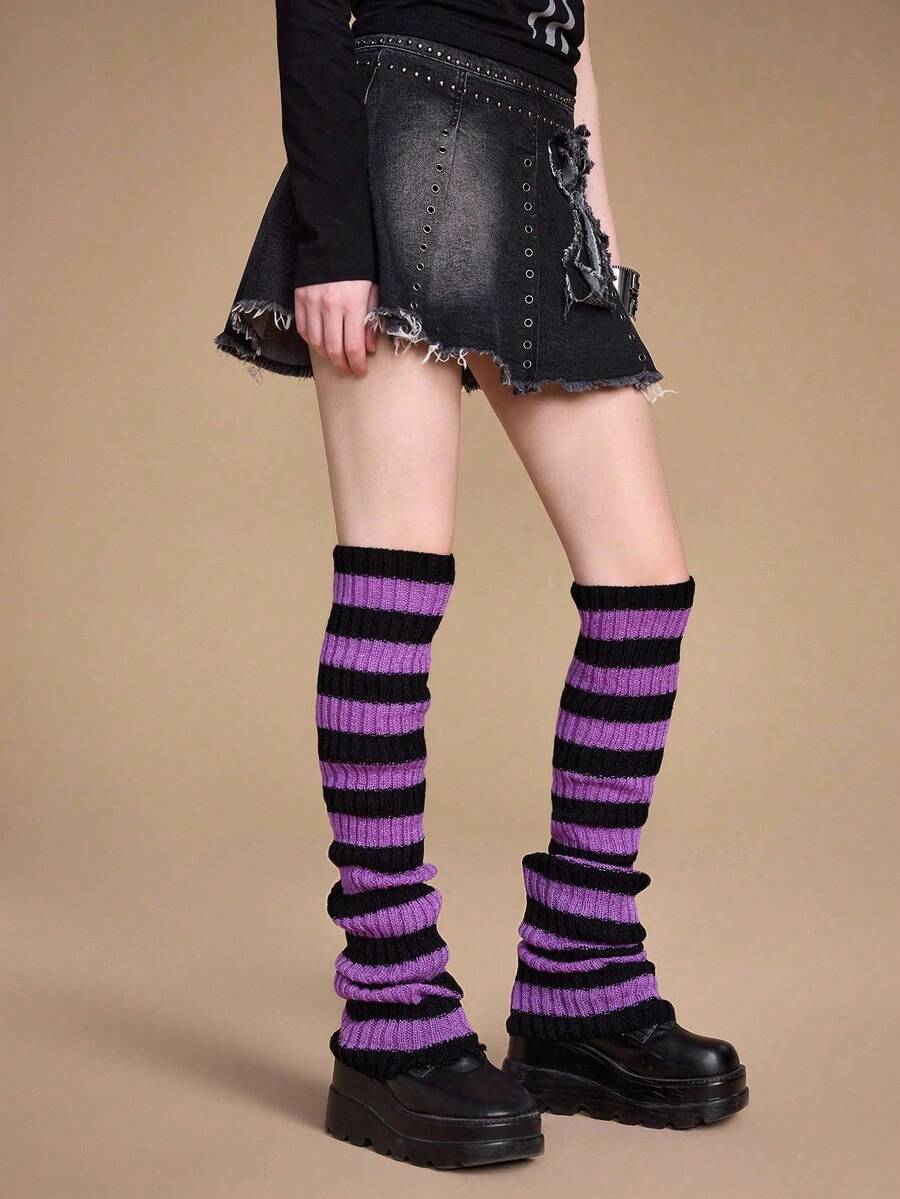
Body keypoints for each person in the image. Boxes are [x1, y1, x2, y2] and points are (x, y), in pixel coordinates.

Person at [215, 0, 749, 1167]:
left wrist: (597, 238)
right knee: (396, 574)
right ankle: (391, 1010)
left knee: (645, 586)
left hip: (538, 157)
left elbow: (568, 24)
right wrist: (334, 238)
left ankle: (580, 984)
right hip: (402, 127)